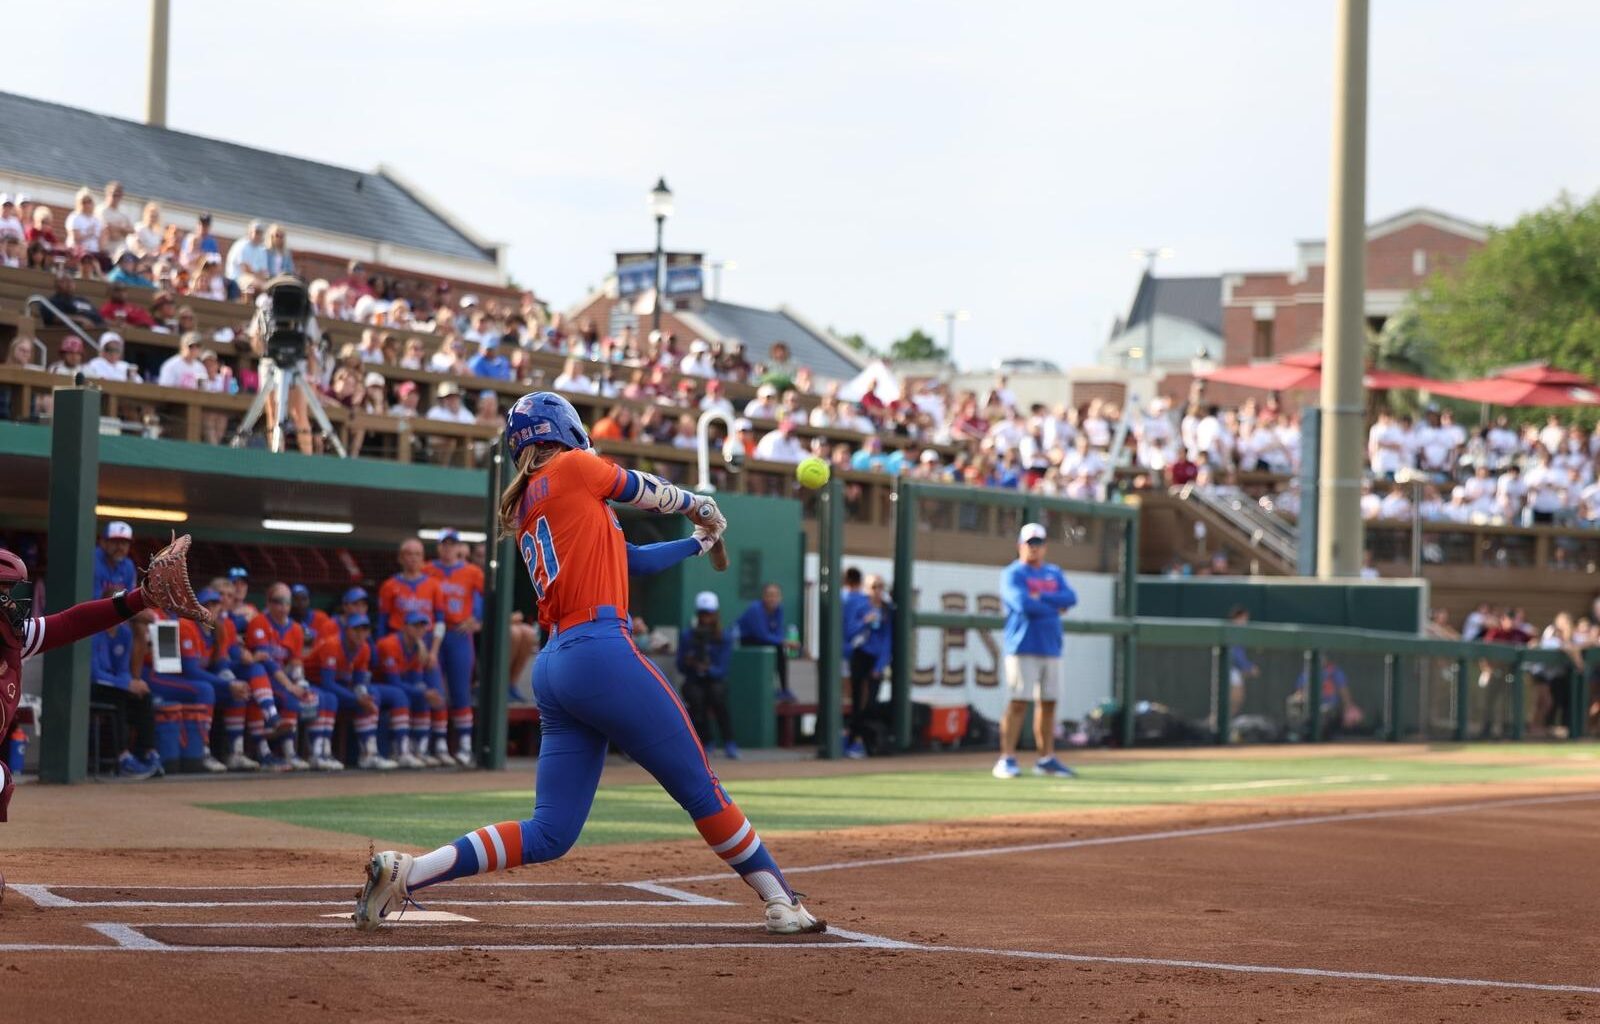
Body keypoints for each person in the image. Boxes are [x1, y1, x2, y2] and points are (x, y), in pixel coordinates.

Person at [355, 392, 823, 935]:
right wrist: (698, 502)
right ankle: (780, 900)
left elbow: (631, 560)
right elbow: (645, 491)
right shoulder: (576, 467)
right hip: (600, 650)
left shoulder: (535, 499)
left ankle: (408, 871)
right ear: (567, 430)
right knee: (701, 787)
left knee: (550, 832)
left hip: (555, 666)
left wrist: (697, 544)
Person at [2, 539, 208, 820]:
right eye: (3, 592)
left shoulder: (14, 639)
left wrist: (141, 599)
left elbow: (71, 623)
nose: (11, 602)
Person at [993, 524, 1078, 778]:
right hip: (1022, 645)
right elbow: (1022, 604)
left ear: (1045, 546)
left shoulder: (1054, 572)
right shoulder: (1013, 573)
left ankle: (1046, 758)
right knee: (1018, 702)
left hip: (1051, 646)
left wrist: (1040, 597)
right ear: (1020, 545)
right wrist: (1052, 604)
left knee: (1049, 704)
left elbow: (1071, 598)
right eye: (1030, 543)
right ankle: (1006, 758)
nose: (1034, 548)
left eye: (1039, 543)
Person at [305, 613, 406, 771]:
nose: (360, 633)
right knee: (330, 699)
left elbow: (359, 682)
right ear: (347, 630)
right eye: (356, 629)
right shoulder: (332, 644)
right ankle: (318, 755)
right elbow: (327, 682)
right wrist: (356, 698)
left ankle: (369, 755)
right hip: (312, 683)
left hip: (337, 686)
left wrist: (363, 695)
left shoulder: (364, 648)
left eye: (364, 629)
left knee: (370, 697)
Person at [243, 583, 319, 770]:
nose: (283, 606)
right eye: (277, 601)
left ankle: (289, 752)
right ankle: (263, 751)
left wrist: (300, 682)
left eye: (286, 601)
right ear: (268, 602)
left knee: (297, 697)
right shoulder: (259, 622)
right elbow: (266, 661)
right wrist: (289, 685)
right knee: (256, 693)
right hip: (256, 677)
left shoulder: (295, 629)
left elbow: (295, 661)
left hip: (278, 681)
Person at [426, 528, 484, 766]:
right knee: (437, 690)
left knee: (461, 691)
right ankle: (439, 745)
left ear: (459, 547)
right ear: (439, 546)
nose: (448, 548)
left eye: (452, 544)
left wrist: (477, 619)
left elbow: (488, 597)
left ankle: (464, 746)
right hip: (434, 635)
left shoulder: (471, 572)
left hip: (460, 635)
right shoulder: (428, 570)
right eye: (444, 544)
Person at [90, 614, 162, 779]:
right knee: (120, 697)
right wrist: (125, 685)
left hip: (116, 685)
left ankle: (148, 752)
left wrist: (133, 682)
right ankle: (122, 758)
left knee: (143, 696)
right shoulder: (94, 633)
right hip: (95, 688)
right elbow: (95, 674)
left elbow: (123, 669)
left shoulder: (125, 633)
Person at [679, 592, 738, 758]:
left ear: (716, 614)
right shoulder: (687, 635)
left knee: (717, 695)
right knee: (696, 697)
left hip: (715, 680)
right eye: (703, 613)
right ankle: (706, 741)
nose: (706, 618)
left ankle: (729, 742)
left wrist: (707, 668)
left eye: (710, 613)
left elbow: (722, 669)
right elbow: (681, 667)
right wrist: (690, 662)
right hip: (694, 680)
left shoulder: (724, 636)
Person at [843, 574, 893, 759]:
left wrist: (880, 665)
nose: (878, 591)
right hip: (860, 655)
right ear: (866, 589)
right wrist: (864, 621)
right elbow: (849, 631)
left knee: (871, 702)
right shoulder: (858, 606)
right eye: (873, 587)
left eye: (880, 586)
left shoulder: (887, 610)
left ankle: (861, 740)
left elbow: (888, 639)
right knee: (857, 701)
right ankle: (853, 741)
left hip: (876, 658)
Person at [736, 583, 797, 702]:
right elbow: (761, 635)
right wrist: (784, 642)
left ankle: (783, 689)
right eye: (769, 595)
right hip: (746, 643)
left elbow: (778, 632)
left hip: (765, 643)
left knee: (779, 650)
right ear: (763, 597)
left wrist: (785, 642)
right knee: (777, 648)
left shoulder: (779, 609)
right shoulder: (755, 609)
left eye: (776, 595)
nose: (772, 598)